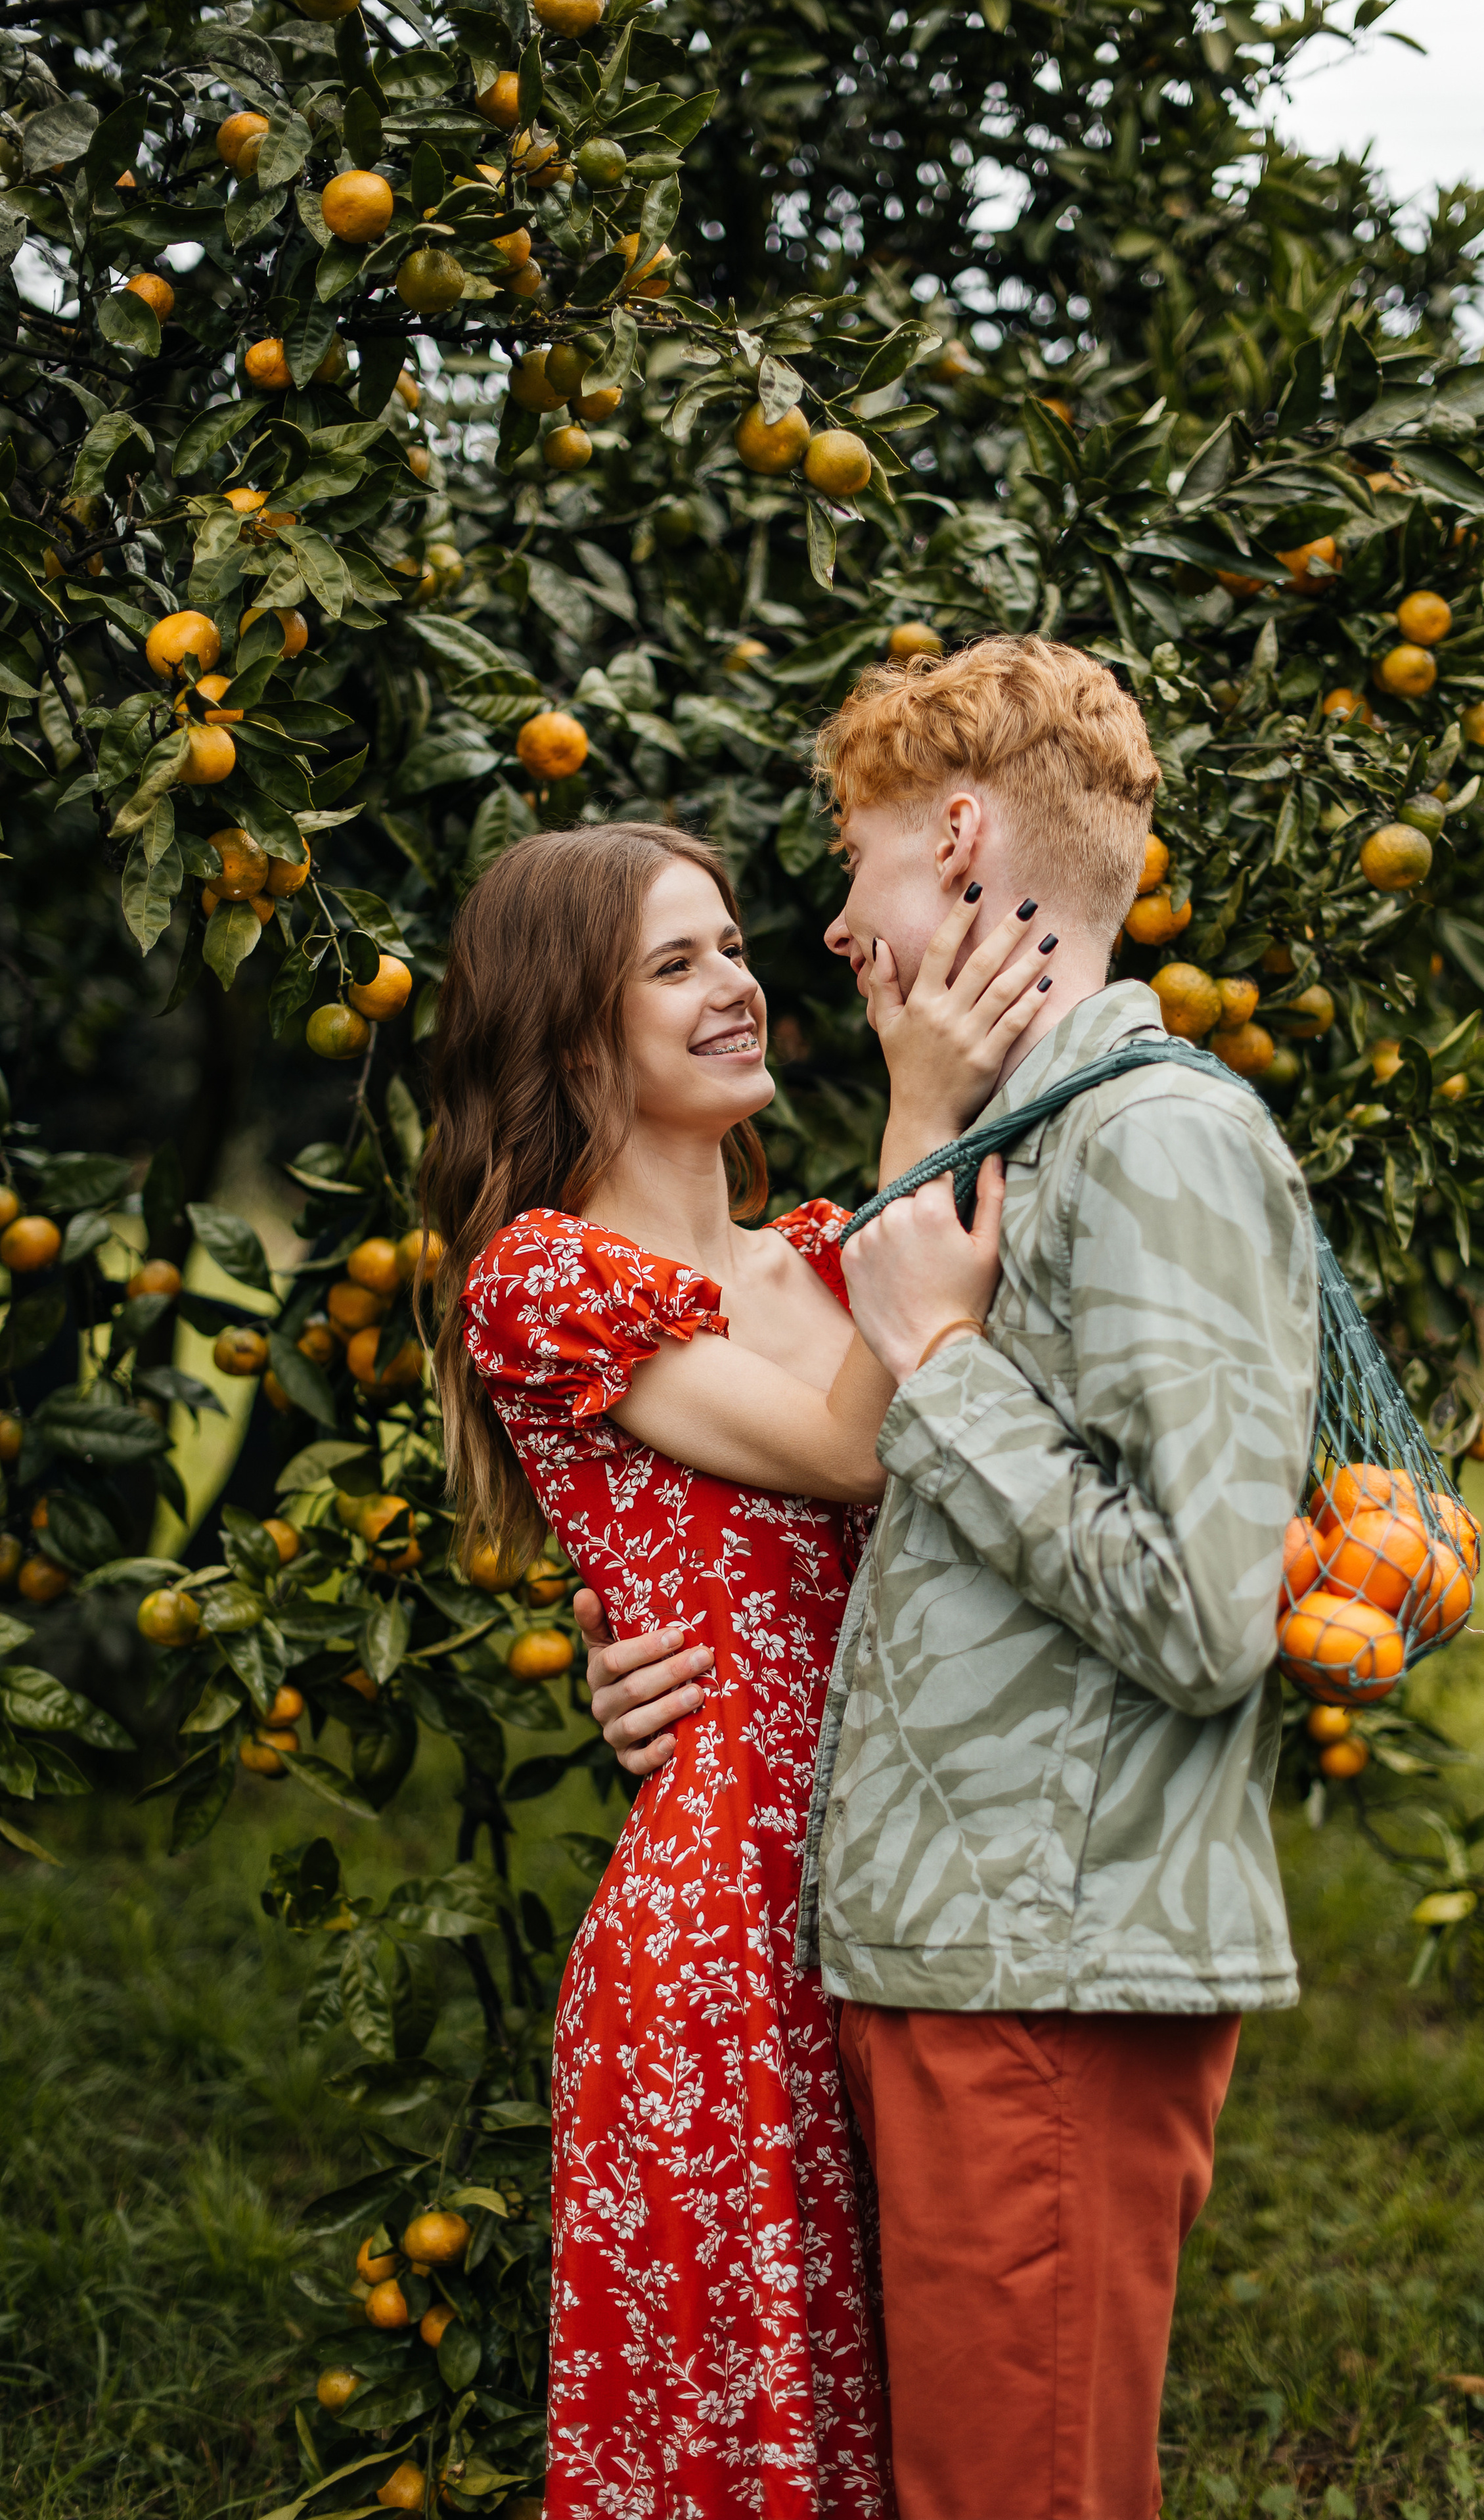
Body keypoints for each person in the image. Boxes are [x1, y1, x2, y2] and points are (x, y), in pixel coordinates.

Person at [582, 637, 1321, 2520]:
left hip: (1047, 1964)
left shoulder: (1157, 1138)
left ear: (965, 832)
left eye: (855, 861)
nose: (827, 927)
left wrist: (939, 1367)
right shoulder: (1026, 1144)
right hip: (966, 1950)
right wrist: (654, 1654)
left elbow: (1207, 1611)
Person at [419, 819, 1045, 2520]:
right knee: (751, 2436)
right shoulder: (547, 1280)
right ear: (567, 1035)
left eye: (736, 946)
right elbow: (854, 1451)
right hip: (725, 1939)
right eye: (675, 963)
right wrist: (922, 1096)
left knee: (919, 2406)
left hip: (900, 1895)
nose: (738, 986)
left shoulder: (839, 1251)